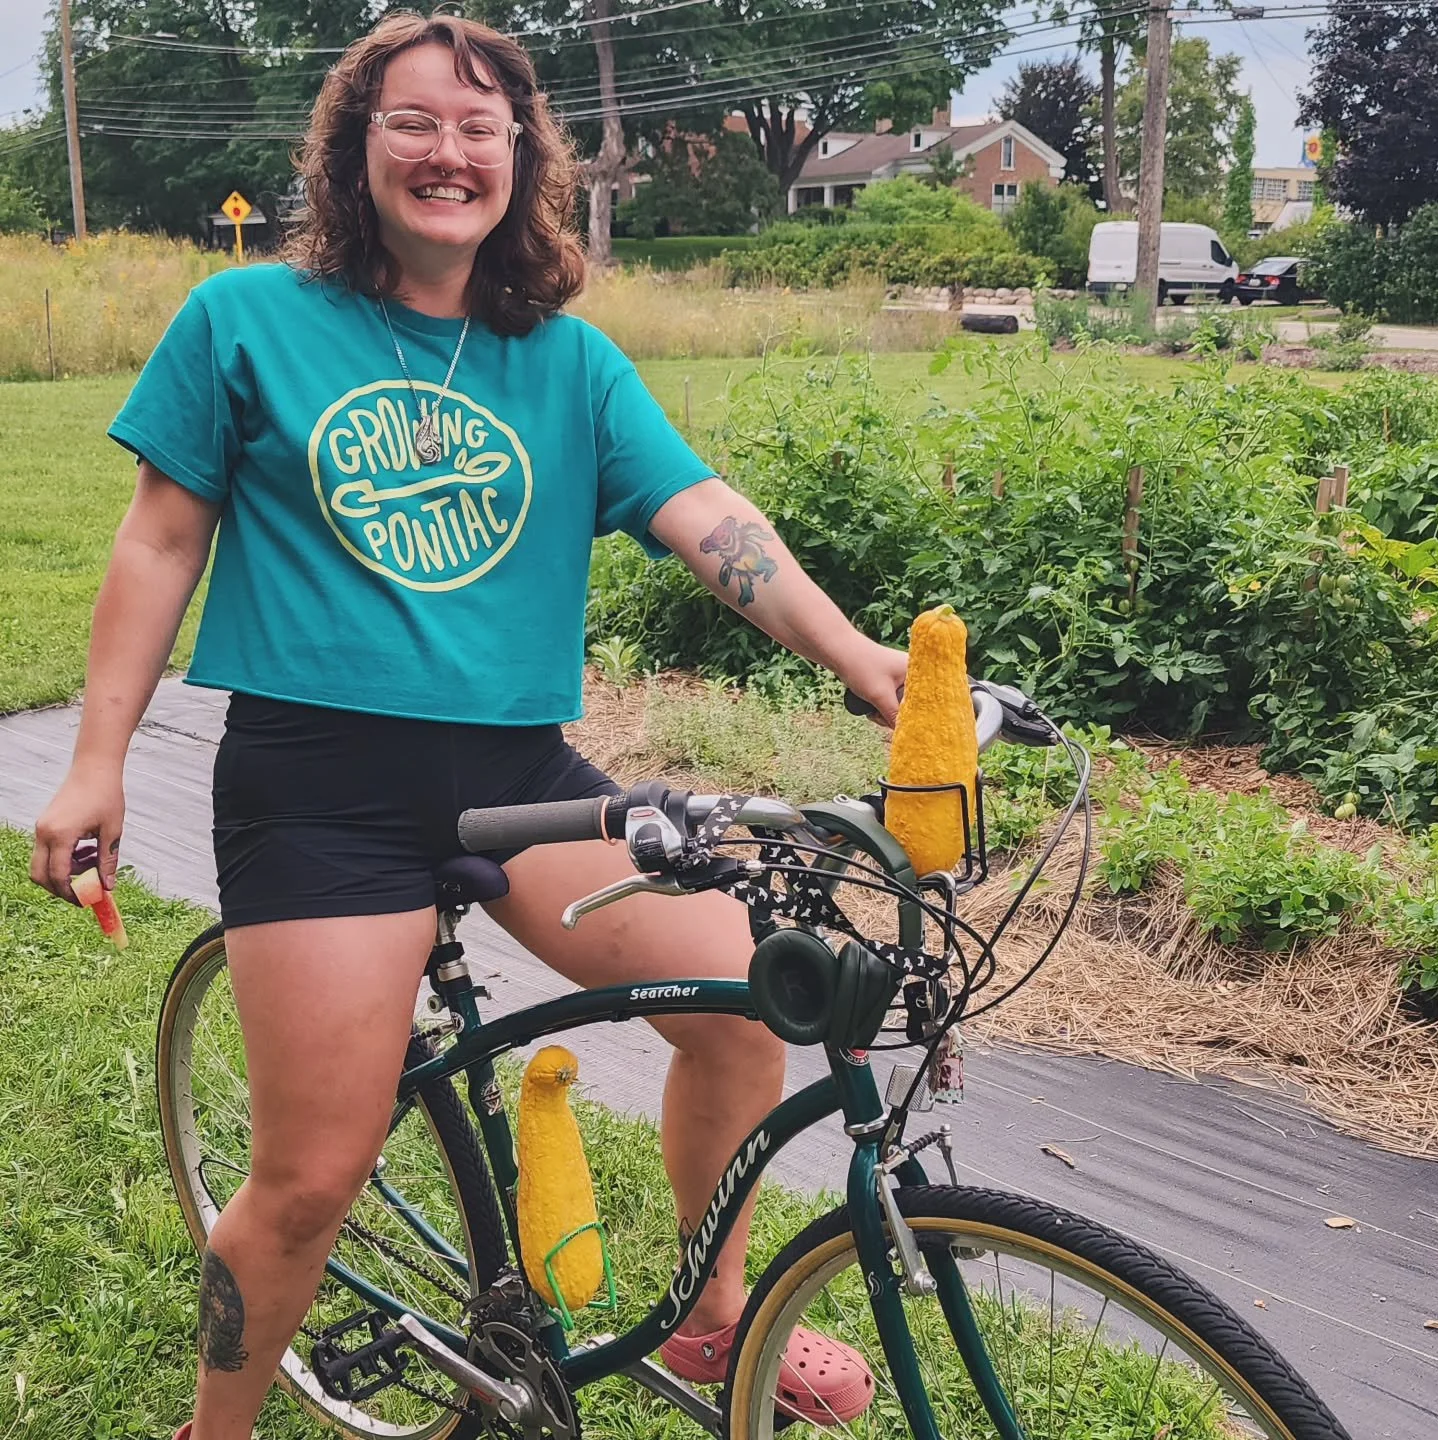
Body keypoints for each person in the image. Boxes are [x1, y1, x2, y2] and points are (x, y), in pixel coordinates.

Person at [29, 11, 906, 1439]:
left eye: (479, 128)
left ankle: (711, 1322)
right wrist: (94, 764)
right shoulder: (243, 320)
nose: (449, 151)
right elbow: (159, 544)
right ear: (354, 146)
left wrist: (857, 654)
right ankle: (218, 1427)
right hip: (319, 795)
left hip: (524, 781)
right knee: (313, 1178)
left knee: (748, 1000)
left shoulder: (566, 361)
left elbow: (708, 522)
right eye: (415, 122)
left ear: (520, 158)